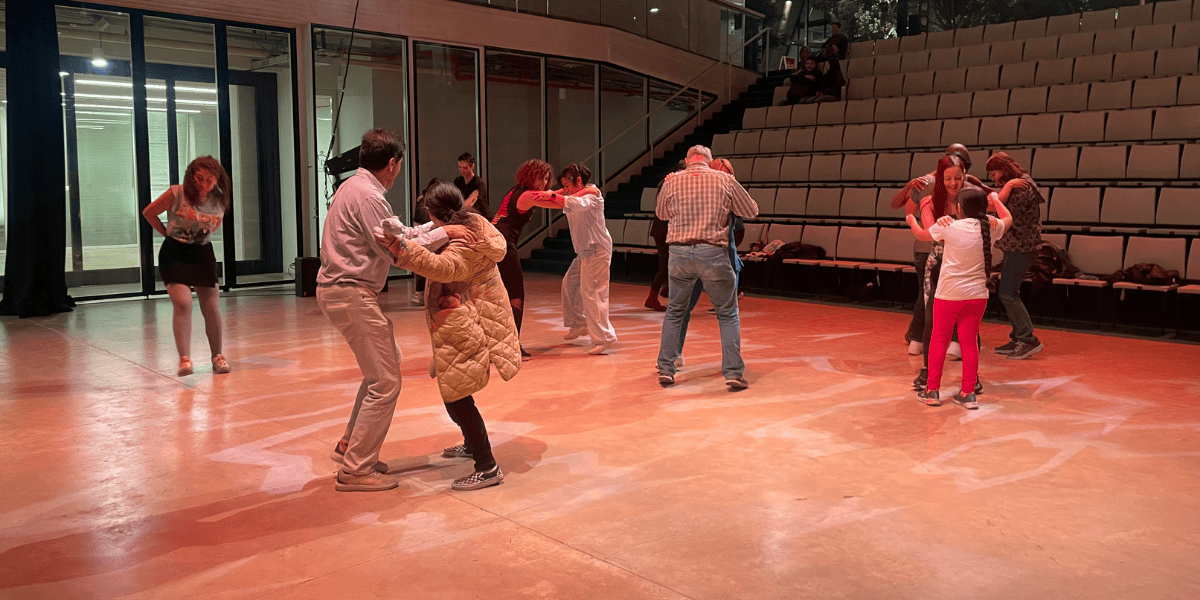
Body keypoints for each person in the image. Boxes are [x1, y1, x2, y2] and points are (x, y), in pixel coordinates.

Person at [316, 129, 473, 493]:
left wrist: (438, 227)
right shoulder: (369, 196)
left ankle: (349, 445)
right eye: (398, 166)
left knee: (384, 368)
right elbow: (397, 251)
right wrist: (448, 233)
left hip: (345, 291)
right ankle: (356, 468)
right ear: (392, 164)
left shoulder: (353, 188)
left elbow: (400, 234)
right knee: (386, 381)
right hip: (350, 292)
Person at [376, 182, 519, 491]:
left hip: (469, 321)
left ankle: (487, 466)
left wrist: (401, 250)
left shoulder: (464, 240)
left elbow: (445, 267)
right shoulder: (471, 223)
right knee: (456, 389)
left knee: (456, 396)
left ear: (431, 211)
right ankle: (472, 444)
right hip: (469, 314)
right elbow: (430, 235)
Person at [654, 145, 758, 390]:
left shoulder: (672, 181)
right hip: (713, 252)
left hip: (679, 253)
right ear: (709, 161)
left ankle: (666, 368)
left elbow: (662, 214)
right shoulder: (724, 179)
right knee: (727, 314)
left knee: (675, 312)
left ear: (688, 160)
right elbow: (751, 210)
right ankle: (733, 373)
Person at [907, 188, 1012, 409]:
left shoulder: (950, 226)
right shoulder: (991, 226)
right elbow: (1008, 218)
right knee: (969, 343)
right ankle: (968, 393)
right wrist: (995, 199)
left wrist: (912, 220)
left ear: (959, 208)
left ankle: (932, 391)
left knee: (939, 340)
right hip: (977, 296)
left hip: (948, 294)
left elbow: (921, 235)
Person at [891, 144, 987, 358]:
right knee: (935, 297)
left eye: (958, 175)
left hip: (947, 251)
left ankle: (924, 341)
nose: (953, 182)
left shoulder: (968, 187)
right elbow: (905, 209)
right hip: (932, 251)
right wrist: (911, 189)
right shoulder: (928, 184)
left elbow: (990, 204)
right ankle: (926, 342)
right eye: (948, 176)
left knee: (936, 297)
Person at [142, 156, 232, 377]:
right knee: (183, 303)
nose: (203, 184)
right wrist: (167, 233)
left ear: (217, 180)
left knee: (210, 306)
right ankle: (184, 359)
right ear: (191, 176)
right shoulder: (177, 193)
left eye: (209, 180)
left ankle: (217, 356)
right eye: (199, 178)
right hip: (175, 253)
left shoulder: (219, 200)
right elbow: (149, 212)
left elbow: (212, 227)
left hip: (202, 253)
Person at [491, 159, 568, 360]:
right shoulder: (526, 196)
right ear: (529, 176)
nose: (543, 182)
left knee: (501, 296)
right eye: (539, 178)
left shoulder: (518, 191)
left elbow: (550, 195)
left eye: (546, 178)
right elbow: (558, 201)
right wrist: (585, 192)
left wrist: (568, 189)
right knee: (516, 294)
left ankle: (499, 343)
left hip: (495, 242)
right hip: (503, 244)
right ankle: (511, 345)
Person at [986, 152, 1046, 360]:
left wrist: (1007, 188)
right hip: (1016, 247)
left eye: (994, 173)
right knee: (1008, 292)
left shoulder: (1022, 186)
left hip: (1021, 247)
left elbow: (1000, 210)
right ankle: (1018, 336)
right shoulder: (1016, 184)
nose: (993, 178)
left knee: (1008, 293)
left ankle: (1027, 338)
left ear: (1004, 169)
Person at [555, 164, 618, 355]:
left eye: (568, 184)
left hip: (597, 250)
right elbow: (562, 198)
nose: (566, 189)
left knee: (593, 294)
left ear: (579, 180)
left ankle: (604, 337)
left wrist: (550, 197)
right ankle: (579, 322)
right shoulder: (580, 194)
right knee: (569, 285)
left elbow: (570, 202)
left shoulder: (592, 196)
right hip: (584, 252)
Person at [645, 160, 687, 312]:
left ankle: (666, 291)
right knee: (666, 265)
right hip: (665, 230)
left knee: (672, 263)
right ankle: (654, 297)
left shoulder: (667, 182)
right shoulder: (671, 183)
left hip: (663, 229)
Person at [411, 178, 444, 305]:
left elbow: (416, 223)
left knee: (423, 265)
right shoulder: (432, 203)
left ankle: (421, 294)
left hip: (424, 235)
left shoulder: (422, 201)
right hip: (433, 236)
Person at [453, 152, 491, 220]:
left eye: (465, 168)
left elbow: (471, 204)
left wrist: (464, 204)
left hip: (481, 217)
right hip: (466, 217)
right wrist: (467, 202)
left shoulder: (478, 183)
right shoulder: (458, 181)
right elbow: (456, 204)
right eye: (460, 167)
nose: (462, 170)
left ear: (472, 166)